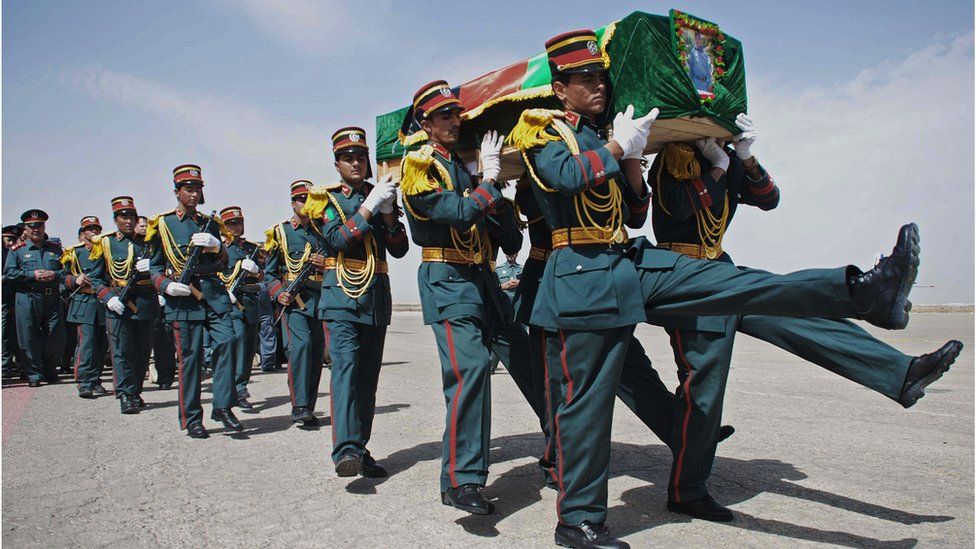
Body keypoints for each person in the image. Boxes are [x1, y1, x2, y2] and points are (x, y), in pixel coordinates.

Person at [508, 29, 932, 548]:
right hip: (580, 272)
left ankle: (861, 293)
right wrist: (621, 145)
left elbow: (637, 213)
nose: (597, 84)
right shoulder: (541, 130)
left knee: (738, 284)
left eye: (601, 75)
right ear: (560, 88)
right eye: (584, 78)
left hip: (624, 259)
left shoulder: (603, 135)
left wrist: (633, 161)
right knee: (587, 408)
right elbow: (562, 177)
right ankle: (578, 521)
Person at [648, 129, 962, 521]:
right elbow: (678, 207)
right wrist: (717, 170)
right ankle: (686, 490)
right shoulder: (675, 157)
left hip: (721, 268)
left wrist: (744, 159)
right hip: (688, 278)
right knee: (705, 386)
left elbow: (769, 199)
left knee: (799, 312)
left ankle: (900, 373)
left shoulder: (722, 158)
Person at [399, 80, 535, 515]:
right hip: (447, 279)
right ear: (425, 123)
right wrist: (489, 181)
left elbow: (510, 238)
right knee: (470, 370)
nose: (454, 122)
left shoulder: (463, 169)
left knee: (528, 358)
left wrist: (493, 194)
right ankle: (461, 480)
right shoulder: (418, 166)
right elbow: (456, 213)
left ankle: (562, 451)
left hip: (482, 279)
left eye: (457, 114)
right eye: (444, 116)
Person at [302, 125, 408, 478]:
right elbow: (338, 239)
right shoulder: (326, 200)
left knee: (367, 380)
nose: (356, 163)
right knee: (345, 373)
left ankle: (360, 449)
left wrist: (390, 210)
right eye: (348, 158)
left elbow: (399, 248)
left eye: (361, 157)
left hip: (375, 300)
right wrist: (370, 205)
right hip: (341, 299)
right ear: (337, 165)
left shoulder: (380, 194)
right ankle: (345, 450)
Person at [147, 164, 243, 438]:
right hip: (184, 298)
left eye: (197, 188)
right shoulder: (163, 224)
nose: (193, 194)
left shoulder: (210, 223)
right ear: (176, 191)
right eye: (188, 189)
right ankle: (192, 418)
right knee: (191, 359)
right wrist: (166, 286)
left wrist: (218, 246)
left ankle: (223, 406)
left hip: (213, 294)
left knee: (228, 341)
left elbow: (223, 264)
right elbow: (155, 267)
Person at [264, 180, 328, 427]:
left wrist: (326, 263)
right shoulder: (280, 233)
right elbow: (269, 273)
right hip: (295, 300)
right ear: (293, 203)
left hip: (320, 299)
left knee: (314, 354)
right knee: (301, 349)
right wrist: (278, 292)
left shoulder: (323, 230)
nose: (305, 204)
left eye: (308, 199)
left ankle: (308, 407)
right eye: (300, 199)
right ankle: (299, 405)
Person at [90, 197, 160, 414]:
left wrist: (153, 267)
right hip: (119, 302)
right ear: (115, 219)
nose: (128, 221)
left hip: (146, 302)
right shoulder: (106, 242)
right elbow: (96, 278)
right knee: (121, 352)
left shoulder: (148, 242)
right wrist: (108, 297)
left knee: (142, 351)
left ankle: (135, 390)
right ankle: (126, 394)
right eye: (123, 216)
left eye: (131, 215)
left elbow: (162, 267)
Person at [3, 209, 67, 387]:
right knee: (28, 337)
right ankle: (34, 374)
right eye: (32, 226)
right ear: (26, 228)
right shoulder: (17, 250)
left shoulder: (55, 249)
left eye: (39, 226)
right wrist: (33, 275)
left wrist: (54, 275)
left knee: (56, 335)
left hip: (51, 298)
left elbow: (66, 271)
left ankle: (49, 369)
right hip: (27, 297)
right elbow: (9, 274)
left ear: (44, 226)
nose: (36, 229)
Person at [217, 206, 262, 410]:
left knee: (250, 346)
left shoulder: (251, 248)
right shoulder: (220, 249)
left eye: (239, 222)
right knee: (240, 341)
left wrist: (256, 270)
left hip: (251, 302)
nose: (236, 227)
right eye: (232, 223)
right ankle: (239, 387)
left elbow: (262, 275)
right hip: (232, 302)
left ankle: (241, 384)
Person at [61, 216, 109, 398]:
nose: (94, 232)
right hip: (83, 301)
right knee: (86, 343)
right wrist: (75, 279)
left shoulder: (106, 249)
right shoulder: (74, 252)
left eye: (97, 228)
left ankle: (95, 379)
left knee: (100, 344)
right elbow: (61, 276)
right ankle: (83, 381)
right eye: (90, 229)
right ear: (83, 233)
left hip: (102, 301)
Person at [136, 215, 176, 390]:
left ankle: (166, 377)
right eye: (141, 225)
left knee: (165, 340)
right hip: (143, 299)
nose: (144, 228)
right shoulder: (132, 247)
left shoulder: (156, 243)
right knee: (142, 343)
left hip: (164, 296)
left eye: (146, 225)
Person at [2, 224, 24, 379]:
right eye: (7, 239)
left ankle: (21, 365)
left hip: (16, 298)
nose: (10, 242)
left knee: (18, 333)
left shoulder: (15, 253)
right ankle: (4, 366)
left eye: (13, 239)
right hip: (3, 300)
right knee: (4, 334)